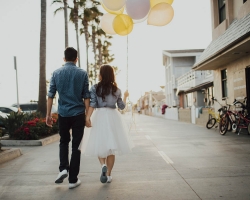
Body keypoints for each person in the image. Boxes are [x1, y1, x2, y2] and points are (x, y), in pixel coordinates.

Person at [80, 64, 134, 184]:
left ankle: (102, 165)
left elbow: (92, 104)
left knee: (99, 144)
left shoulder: (94, 88)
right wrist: (125, 96)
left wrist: (87, 117)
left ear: (102, 74)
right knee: (111, 148)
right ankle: (108, 175)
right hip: (112, 116)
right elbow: (121, 107)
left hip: (99, 116)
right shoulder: (117, 90)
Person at [46, 47, 90, 189]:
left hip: (63, 113)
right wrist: (87, 116)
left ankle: (63, 168)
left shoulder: (56, 73)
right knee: (76, 146)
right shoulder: (83, 73)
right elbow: (86, 96)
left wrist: (48, 115)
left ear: (64, 58)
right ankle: (73, 180)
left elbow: (51, 95)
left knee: (64, 142)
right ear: (76, 59)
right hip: (78, 114)